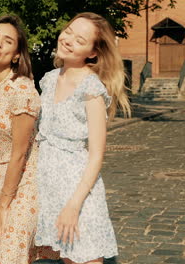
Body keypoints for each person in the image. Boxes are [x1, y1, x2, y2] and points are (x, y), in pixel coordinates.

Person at [34, 12, 131, 264]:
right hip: (49, 186)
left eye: (79, 40)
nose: (68, 40)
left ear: (92, 52)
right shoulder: (49, 79)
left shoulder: (91, 87)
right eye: (68, 32)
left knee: (85, 259)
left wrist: (73, 206)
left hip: (77, 192)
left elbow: (97, 155)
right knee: (67, 259)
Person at [0, 15, 59, 263]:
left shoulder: (21, 90)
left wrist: (4, 204)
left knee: (11, 253)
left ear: (17, 55)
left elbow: (19, 154)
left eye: (7, 41)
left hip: (23, 181)